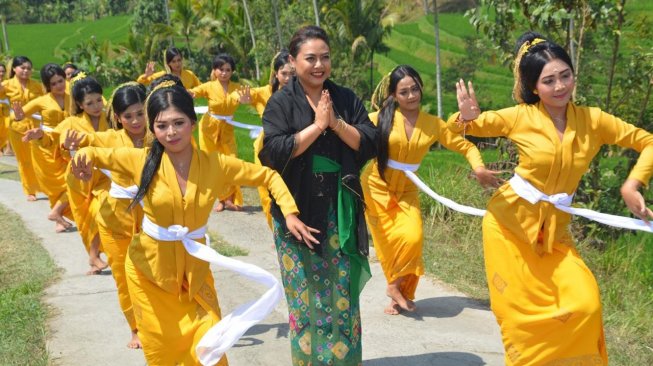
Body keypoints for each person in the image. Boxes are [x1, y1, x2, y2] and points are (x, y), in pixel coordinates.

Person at [70, 81, 317, 365]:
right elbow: (96, 153)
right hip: (148, 275)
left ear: (193, 122)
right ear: (153, 128)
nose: (171, 132)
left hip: (195, 277)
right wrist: (82, 158)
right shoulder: (140, 160)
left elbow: (268, 177)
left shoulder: (216, 165)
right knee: (162, 354)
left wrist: (289, 212)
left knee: (209, 351)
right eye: (162, 126)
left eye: (179, 123)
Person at [451, 31, 653, 365]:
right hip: (508, 228)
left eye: (565, 76)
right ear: (533, 87)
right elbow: (462, 128)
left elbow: (647, 141)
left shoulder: (594, 120)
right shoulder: (520, 117)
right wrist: (466, 118)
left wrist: (632, 184)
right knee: (521, 323)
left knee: (585, 303)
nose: (560, 87)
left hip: (555, 235)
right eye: (549, 81)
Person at [260, 25, 377, 365]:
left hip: (340, 210)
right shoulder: (281, 103)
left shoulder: (344, 97)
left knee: (342, 294)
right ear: (293, 62)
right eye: (310, 58)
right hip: (297, 211)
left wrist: (336, 124)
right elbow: (274, 152)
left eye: (325, 57)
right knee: (305, 297)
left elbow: (370, 141)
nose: (318, 65)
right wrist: (316, 127)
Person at [363, 65, 500, 315]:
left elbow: (466, 147)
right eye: (404, 92)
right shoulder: (377, 119)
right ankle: (398, 296)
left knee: (412, 237)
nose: (412, 95)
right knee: (388, 245)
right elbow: (350, 135)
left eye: (415, 89)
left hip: (407, 192)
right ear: (394, 96)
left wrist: (479, 168)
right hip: (375, 188)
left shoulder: (433, 124)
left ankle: (394, 287)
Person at [64, 82, 148, 349]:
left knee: (155, 276)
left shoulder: (160, 136)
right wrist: (74, 152)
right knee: (124, 277)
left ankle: (158, 322)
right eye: (128, 116)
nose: (135, 121)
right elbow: (87, 145)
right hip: (115, 221)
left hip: (154, 220)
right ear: (118, 118)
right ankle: (135, 328)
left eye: (140, 113)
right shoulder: (109, 138)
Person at [15, 63, 73, 233]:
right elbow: (20, 116)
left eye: (61, 81)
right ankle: (59, 219)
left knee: (73, 180)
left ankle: (57, 213)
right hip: (46, 146)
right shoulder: (42, 100)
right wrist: (18, 114)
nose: (58, 86)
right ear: (47, 86)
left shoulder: (73, 96)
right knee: (55, 186)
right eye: (53, 84)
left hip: (68, 144)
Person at [189, 53, 249, 211]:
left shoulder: (236, 88)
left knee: (232, 161)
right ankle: (222, 200)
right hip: (208, 130)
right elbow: (195, 91)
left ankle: (231, 198)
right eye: (220, 69)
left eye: (228, 70)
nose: (224, 73)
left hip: (227, 130)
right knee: (214, 165)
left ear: (232, 72)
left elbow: (242, 96)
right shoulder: (209, 86)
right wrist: (189, 93)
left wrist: (245, 99)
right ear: (214, 71)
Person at [251, 50, 294, 229]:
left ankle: (290, 226)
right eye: (284, 73)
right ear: (276, 73)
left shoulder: (302, 93)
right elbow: (234, 97)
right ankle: (275, 228)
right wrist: (238, 99)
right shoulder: (264, 93)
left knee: (290, 188)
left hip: (292, 145)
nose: (288, 78)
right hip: (266, 147)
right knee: (266, 190)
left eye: (292, 73)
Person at [0, 56, 44, 200]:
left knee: (38, 158)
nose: (26, 71)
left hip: (35, 128)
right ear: (14, 69)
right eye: (22, 68)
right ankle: (30, 190)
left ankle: (43, 186)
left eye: (29, 68)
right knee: (24, 160)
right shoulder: (6, 85)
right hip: (17, 128)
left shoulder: (37, 85)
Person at [137, 47, 201, 90]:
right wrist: (146, 75)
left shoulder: (189, 74)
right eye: (173, 61)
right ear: (168, 63)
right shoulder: (163, 76)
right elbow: (140, 82)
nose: (177, 64)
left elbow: (202, 88)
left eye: (179, 60)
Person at [0, 63, 11, 155]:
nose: (1, 73)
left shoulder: (8, 85)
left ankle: (8, 149)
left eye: (3, 71)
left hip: (6, 115)